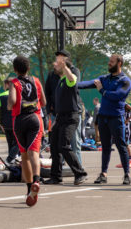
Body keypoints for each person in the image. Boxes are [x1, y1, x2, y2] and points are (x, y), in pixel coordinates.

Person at [78, 54, 131, 185]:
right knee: (105, 147)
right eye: (109, 61)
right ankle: (103, 174)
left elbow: (117, 95)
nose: (109, 63)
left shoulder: (125, 81)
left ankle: (126, 175)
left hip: (116, 118)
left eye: (111, 61)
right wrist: (71, 83)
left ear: (119, 63)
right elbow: (87, 84)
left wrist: (102, 90)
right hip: (103, 118)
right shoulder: (104, 78)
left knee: (121, 146)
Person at [44, 50, 88, 185]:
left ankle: (80, 173)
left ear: (64, 66)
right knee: (55, 146)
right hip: (61, 117)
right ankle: (56, 176)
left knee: (64, 145)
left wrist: (64, 67)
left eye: (56, 63)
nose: (54, 64)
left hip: (71, 117)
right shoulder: (59, 80)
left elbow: (71, 79)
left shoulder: (70, 77)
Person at [8, 56, 46, 207]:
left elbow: (11, 102)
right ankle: (36, 180)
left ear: (15, 69)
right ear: (28, 68)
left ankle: (30, 188)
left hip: (19, 120)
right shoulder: (36, 81)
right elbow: (43, 101)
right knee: (34, 153)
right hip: (34, 118)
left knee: (24, 156)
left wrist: (11, 104)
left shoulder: (14, 83)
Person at [0, 78, 19, 164]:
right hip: (16, 123)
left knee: (10, 143)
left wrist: (1, 123)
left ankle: (11, 160)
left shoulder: (0, 96)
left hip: (6, 124)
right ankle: (11, 158)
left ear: (6, 85)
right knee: (18, 143)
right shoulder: (18, 94)